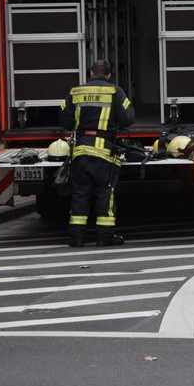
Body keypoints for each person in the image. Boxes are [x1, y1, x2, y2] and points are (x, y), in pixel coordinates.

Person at [58, 59, 135, 248]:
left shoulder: (75, 92)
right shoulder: (115, 91)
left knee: (80, 194)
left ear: (91, 73)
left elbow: (65, 121)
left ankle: (76, 238)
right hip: (104, 153)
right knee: (104, 193)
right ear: (109, 75)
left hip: (81, 152)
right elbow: (128, 119)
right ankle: (105, 237)